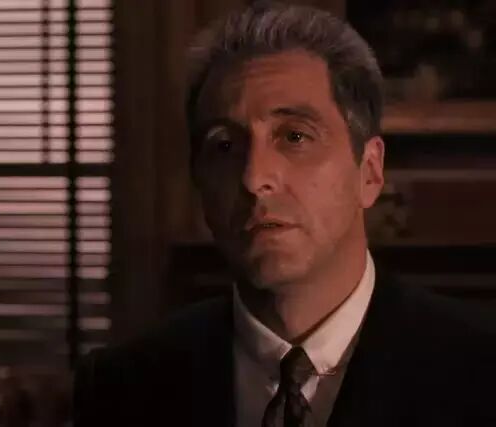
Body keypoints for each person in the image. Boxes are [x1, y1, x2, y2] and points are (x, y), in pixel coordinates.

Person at [73, 2, 496, 426]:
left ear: (369, 172)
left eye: (294, 137)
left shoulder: (480, 371)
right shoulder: (120, 387)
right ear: (199, 181)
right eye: (225, 146)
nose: (254, 177)